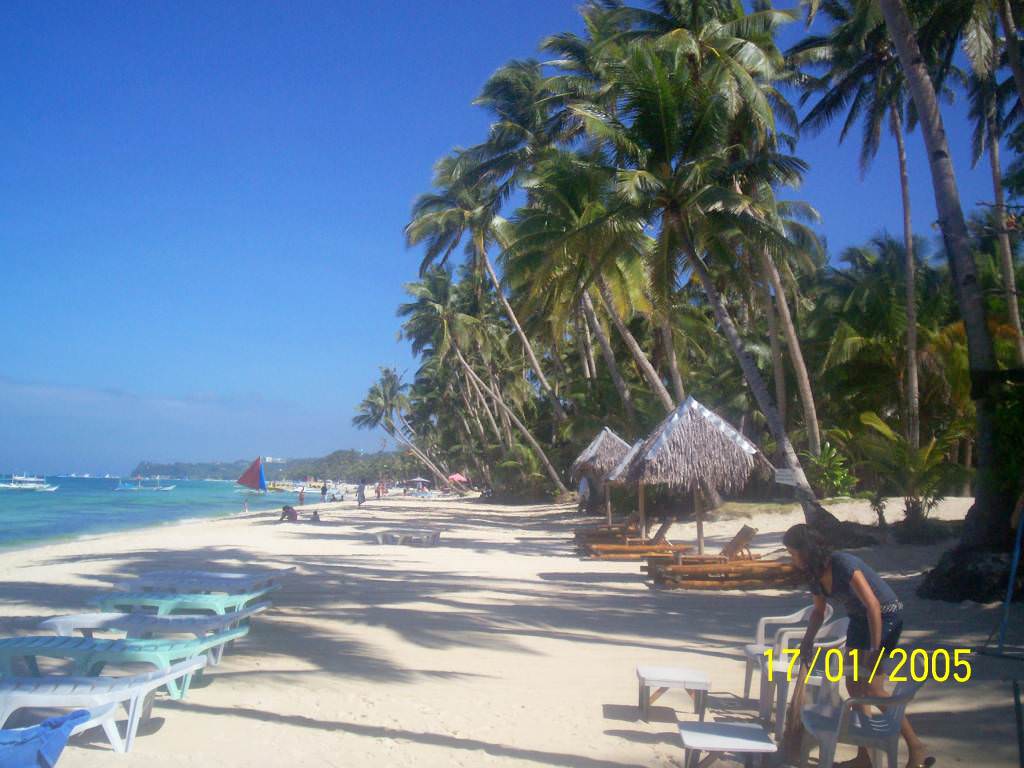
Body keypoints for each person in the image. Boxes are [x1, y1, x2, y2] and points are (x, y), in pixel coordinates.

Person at [783, 524, 932, 768]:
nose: (791, 557)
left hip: (885, 616)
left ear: (806, 550)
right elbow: (818, 613)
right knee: (853, 685)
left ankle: (916, 746)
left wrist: (875, 650)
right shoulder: (813, 574)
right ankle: (865, 755)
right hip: (858, 619)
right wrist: (807, 640)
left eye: (792, 551)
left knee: (872, 687)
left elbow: (873, 604)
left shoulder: (842, 563)